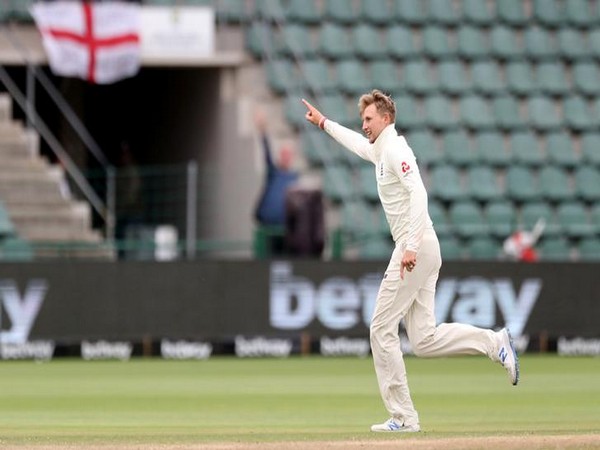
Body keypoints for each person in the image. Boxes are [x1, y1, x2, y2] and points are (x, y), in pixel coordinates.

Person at [301, 91, 519, 433]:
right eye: (363, 119)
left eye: (369, 119)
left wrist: (411, 246)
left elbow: (420, 193)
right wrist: (325, 123)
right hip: (422, 247)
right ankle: (495, 343)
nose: (365, 124)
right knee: (423, 340)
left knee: (380, 328)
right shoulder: (379, 148)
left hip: (414, 247)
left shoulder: (396, 149)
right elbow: (359, 145)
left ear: (386, 118)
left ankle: (403, 418)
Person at [253, 110, 299, 256]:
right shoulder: (274, 173)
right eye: (283, 154)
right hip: (268, 227)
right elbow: (267, 155)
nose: (286, 158)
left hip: (285, 230)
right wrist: (262, 130)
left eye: (288, 155)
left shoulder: (294, 178)